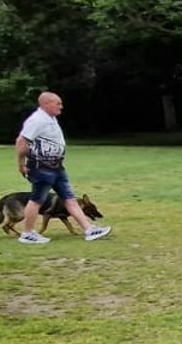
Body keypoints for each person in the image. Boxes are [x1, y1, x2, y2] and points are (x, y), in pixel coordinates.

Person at [14, 91, 111, 244]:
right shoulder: (37, 120)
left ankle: (89, 229)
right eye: (58, 103)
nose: (61, 107)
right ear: (46, 104)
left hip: (56, 167)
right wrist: (21, 164)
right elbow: (21, 141)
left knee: (69, 199)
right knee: (37, 200)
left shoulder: (50, 119)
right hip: (41, 167)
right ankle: (27, 233)